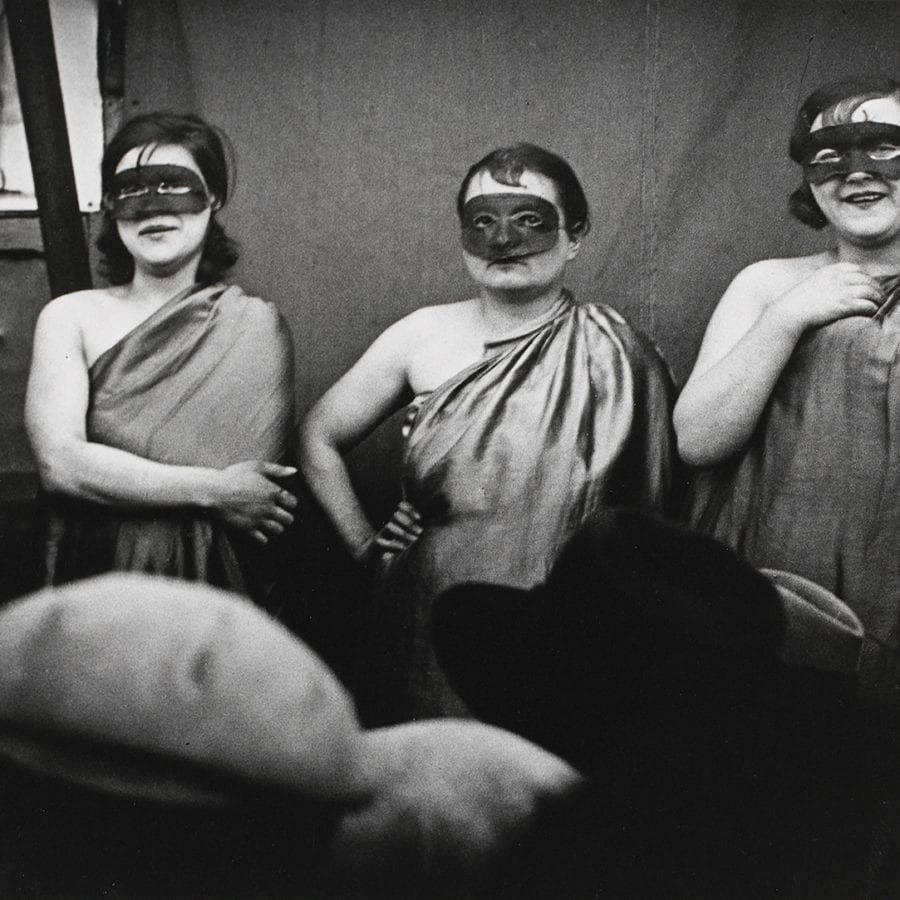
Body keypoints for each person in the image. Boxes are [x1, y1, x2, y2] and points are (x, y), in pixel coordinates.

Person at [300, 143, 679, 722]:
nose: (502, 240)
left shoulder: (617, 352)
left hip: (565, 623)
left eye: (528, 219)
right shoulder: (421, 335)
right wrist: (364, 545)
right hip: (427, 614)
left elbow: (654, 504)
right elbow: (318, 435)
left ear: (574, 237)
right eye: (482, 222)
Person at [675, 78, 900, 892]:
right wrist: (792, 315)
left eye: (886, 148)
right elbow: (697, 438)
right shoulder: (767, 284)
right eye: (829, 156)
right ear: (808, 180)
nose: (857, 171)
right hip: (786, 604)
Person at [25, 112, 297, 607]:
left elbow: (254, 483)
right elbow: (61, 464)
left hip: (216, 588)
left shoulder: (255, 325)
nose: (153, 207)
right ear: (110, 206)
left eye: (175, 185)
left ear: (213, 197)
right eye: (132, 191)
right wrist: (216, 490)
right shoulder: (70, 318)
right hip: (96, 577)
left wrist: (115, 467)